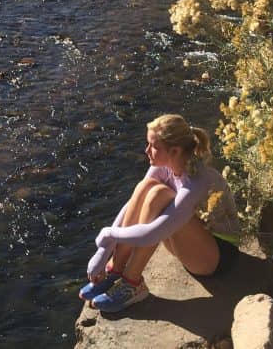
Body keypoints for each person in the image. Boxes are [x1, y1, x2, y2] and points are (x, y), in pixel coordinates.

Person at [79, 113, 241, 312]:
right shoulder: (164, 166)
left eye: (153, 146)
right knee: (149, 187)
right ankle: (116, 269)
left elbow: (153, 234)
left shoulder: (197, 180)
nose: (147, 150)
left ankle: (133, 284)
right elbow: (132, 205)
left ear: (174, 151)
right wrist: (104, 251)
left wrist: (108, 234)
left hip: (216, 257)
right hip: (191, 243)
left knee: (160, 196)